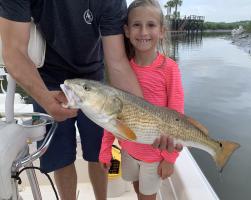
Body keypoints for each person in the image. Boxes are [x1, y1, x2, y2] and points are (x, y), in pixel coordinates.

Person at [0, 0, 182, 199]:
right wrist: (45, 98)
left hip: (94, 76)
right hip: (47, 77)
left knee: (97, 151)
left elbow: (117, 62)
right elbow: (13, 50)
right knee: (61, 156)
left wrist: (147, 121)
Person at [99, 0, 184, 199]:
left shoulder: (169, 68)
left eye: (151, 25)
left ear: (162, 31)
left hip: (154, 156)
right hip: (127, 150)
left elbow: (177, 116)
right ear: (127, 31)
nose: (143, 32)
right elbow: (111, 114)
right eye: (137, 25)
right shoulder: (121, 70)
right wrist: (105, 149)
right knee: (137, 189)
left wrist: (169, 158)